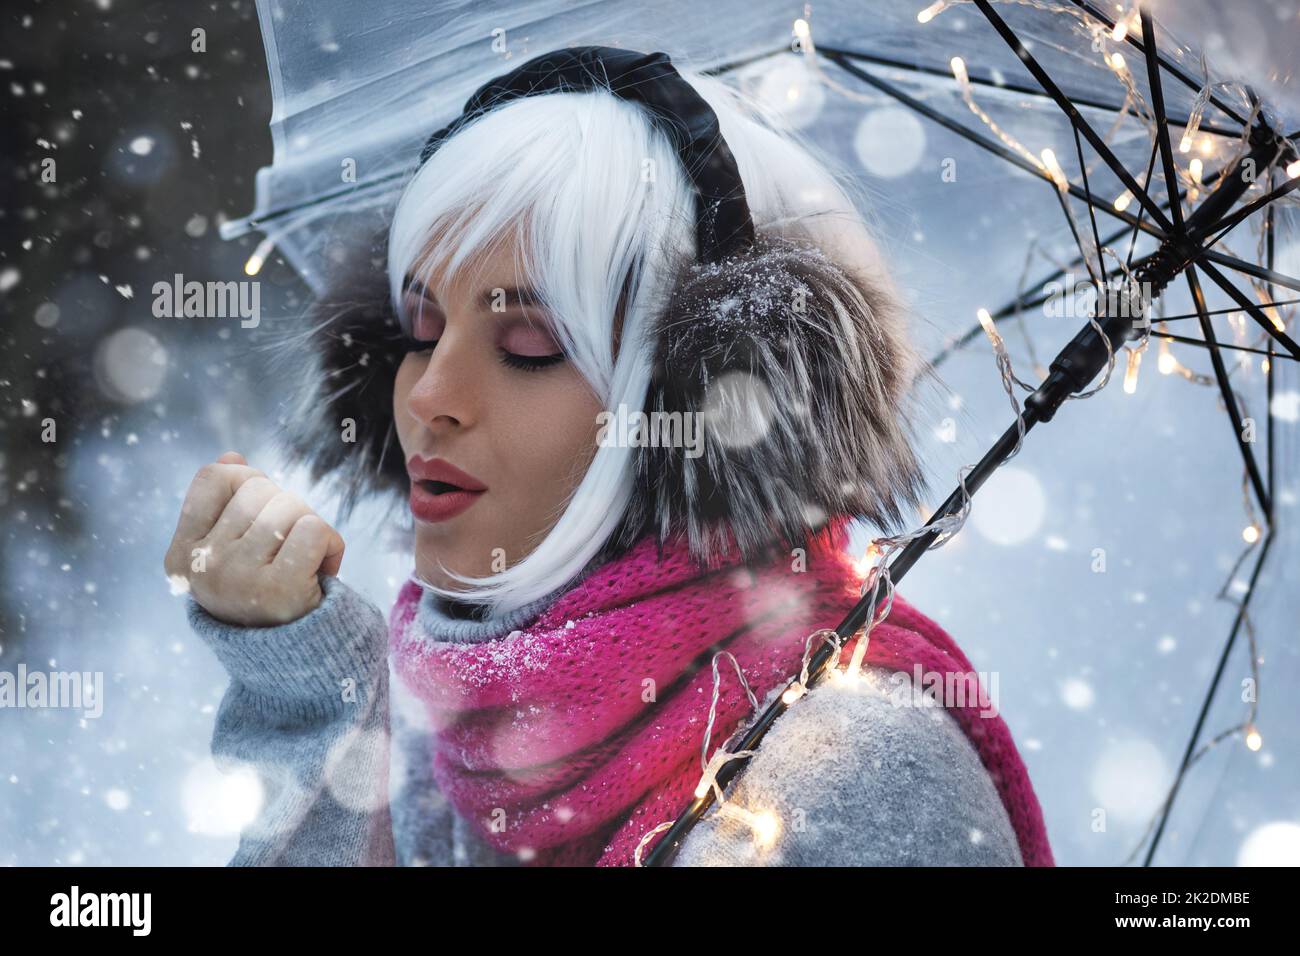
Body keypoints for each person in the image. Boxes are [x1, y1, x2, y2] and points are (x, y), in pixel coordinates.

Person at [163, 47, 1053, 867]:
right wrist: (313, 706)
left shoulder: (853, 778)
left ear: (688, 404)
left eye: (528, 343)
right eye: (421, 327)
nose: (430, 393)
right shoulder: (464, 749)